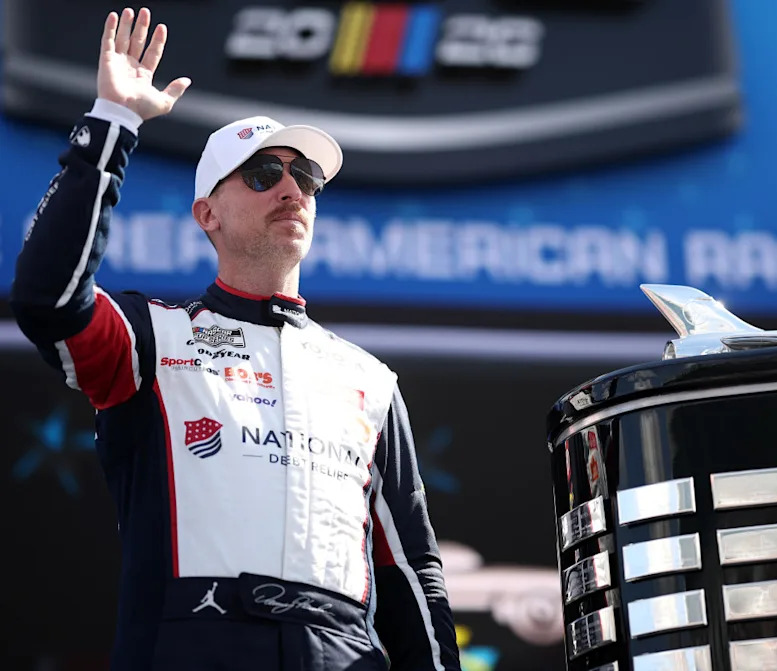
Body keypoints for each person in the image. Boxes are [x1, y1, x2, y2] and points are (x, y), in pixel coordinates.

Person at [10, 7, 461, 671]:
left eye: (304, 177)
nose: (290, 189)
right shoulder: (151, 339)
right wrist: (112, 124)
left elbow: (411, 570)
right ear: (207, 214)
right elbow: (47, 298)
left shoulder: (371, 380)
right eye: (262, 174)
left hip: (342, 652)